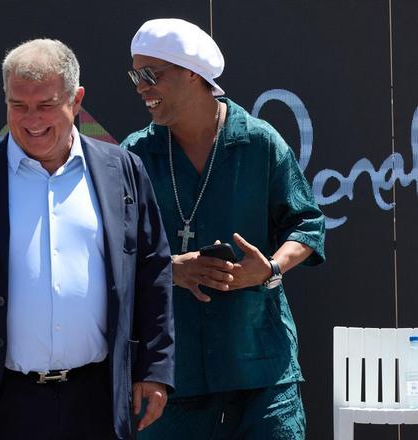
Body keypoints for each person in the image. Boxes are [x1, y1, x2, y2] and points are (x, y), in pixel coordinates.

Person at [0, 39, 174, 440]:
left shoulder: (122, 170)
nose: (32, 120)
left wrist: (154, 368)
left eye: (46, 105)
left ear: (76, 100)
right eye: (18, 105)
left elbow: (153, 268)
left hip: (97, 403)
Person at [121, 19, 326, 439]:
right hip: (170, 376)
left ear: (192, 73)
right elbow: (111, 252)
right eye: (134, 75)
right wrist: (172, 268)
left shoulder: (258, 142)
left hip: (261, 368)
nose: (141, 87)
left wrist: (269, 267)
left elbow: (308, 225)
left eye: (150, 74)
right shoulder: (135, 155)